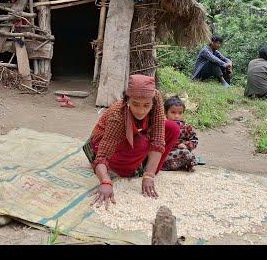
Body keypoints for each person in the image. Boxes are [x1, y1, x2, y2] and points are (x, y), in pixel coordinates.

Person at [84, 74, 180, 208]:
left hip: (137, 135)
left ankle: (144, 168)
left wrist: (149, 175)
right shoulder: (117, 114)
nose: (141, 111)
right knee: (141, 144)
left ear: (152, 102)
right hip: (101, 145)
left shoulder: (156, 97)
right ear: (127, 100)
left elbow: (158, 137)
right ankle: (131, 167)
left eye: (146, 105)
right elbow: (102, 156)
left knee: (173, 128)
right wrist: (105, 182)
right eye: (135, 104)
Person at [161, 96, 199, 171]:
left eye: (180, 113)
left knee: (186, 153)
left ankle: (184, 164)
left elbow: (194, 140)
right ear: (166, 113)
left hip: (181, 152)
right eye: (173, 112)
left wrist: (186, 145)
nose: (177, 116)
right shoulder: (162, 125)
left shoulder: (186, 127)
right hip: (166, 153)